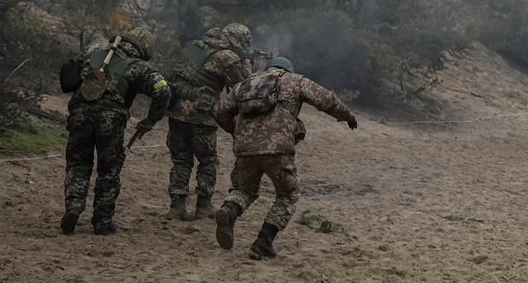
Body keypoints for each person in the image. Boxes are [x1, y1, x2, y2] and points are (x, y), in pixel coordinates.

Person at [212, 57, 358, 260]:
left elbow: (219, 112)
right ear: (287, 69)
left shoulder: (244, 85)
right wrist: (347, 115)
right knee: (288, 194)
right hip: (277, 149)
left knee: (243, 190)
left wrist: (238, 132)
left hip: (244, 149)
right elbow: (326, 99)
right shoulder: (295, 80)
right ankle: (263, 242)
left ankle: (229, 210)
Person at [61, 26, 171, 235]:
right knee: (109, 172)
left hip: (79, 115)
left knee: (77, 164)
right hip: (111, 121)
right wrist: (150, 120)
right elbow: (163, 90)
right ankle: (102, 222)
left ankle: (73, 207)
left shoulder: (95, 54)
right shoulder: (140, 67)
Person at [165, 23, 251, 221]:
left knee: (181, 160)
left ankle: (176, 206)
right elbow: (242, 87)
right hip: (201, 115)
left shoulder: (195, 46)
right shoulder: (227, 57)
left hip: (176, 110)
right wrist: (246, 64)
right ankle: (203, 206)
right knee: (208, 160)